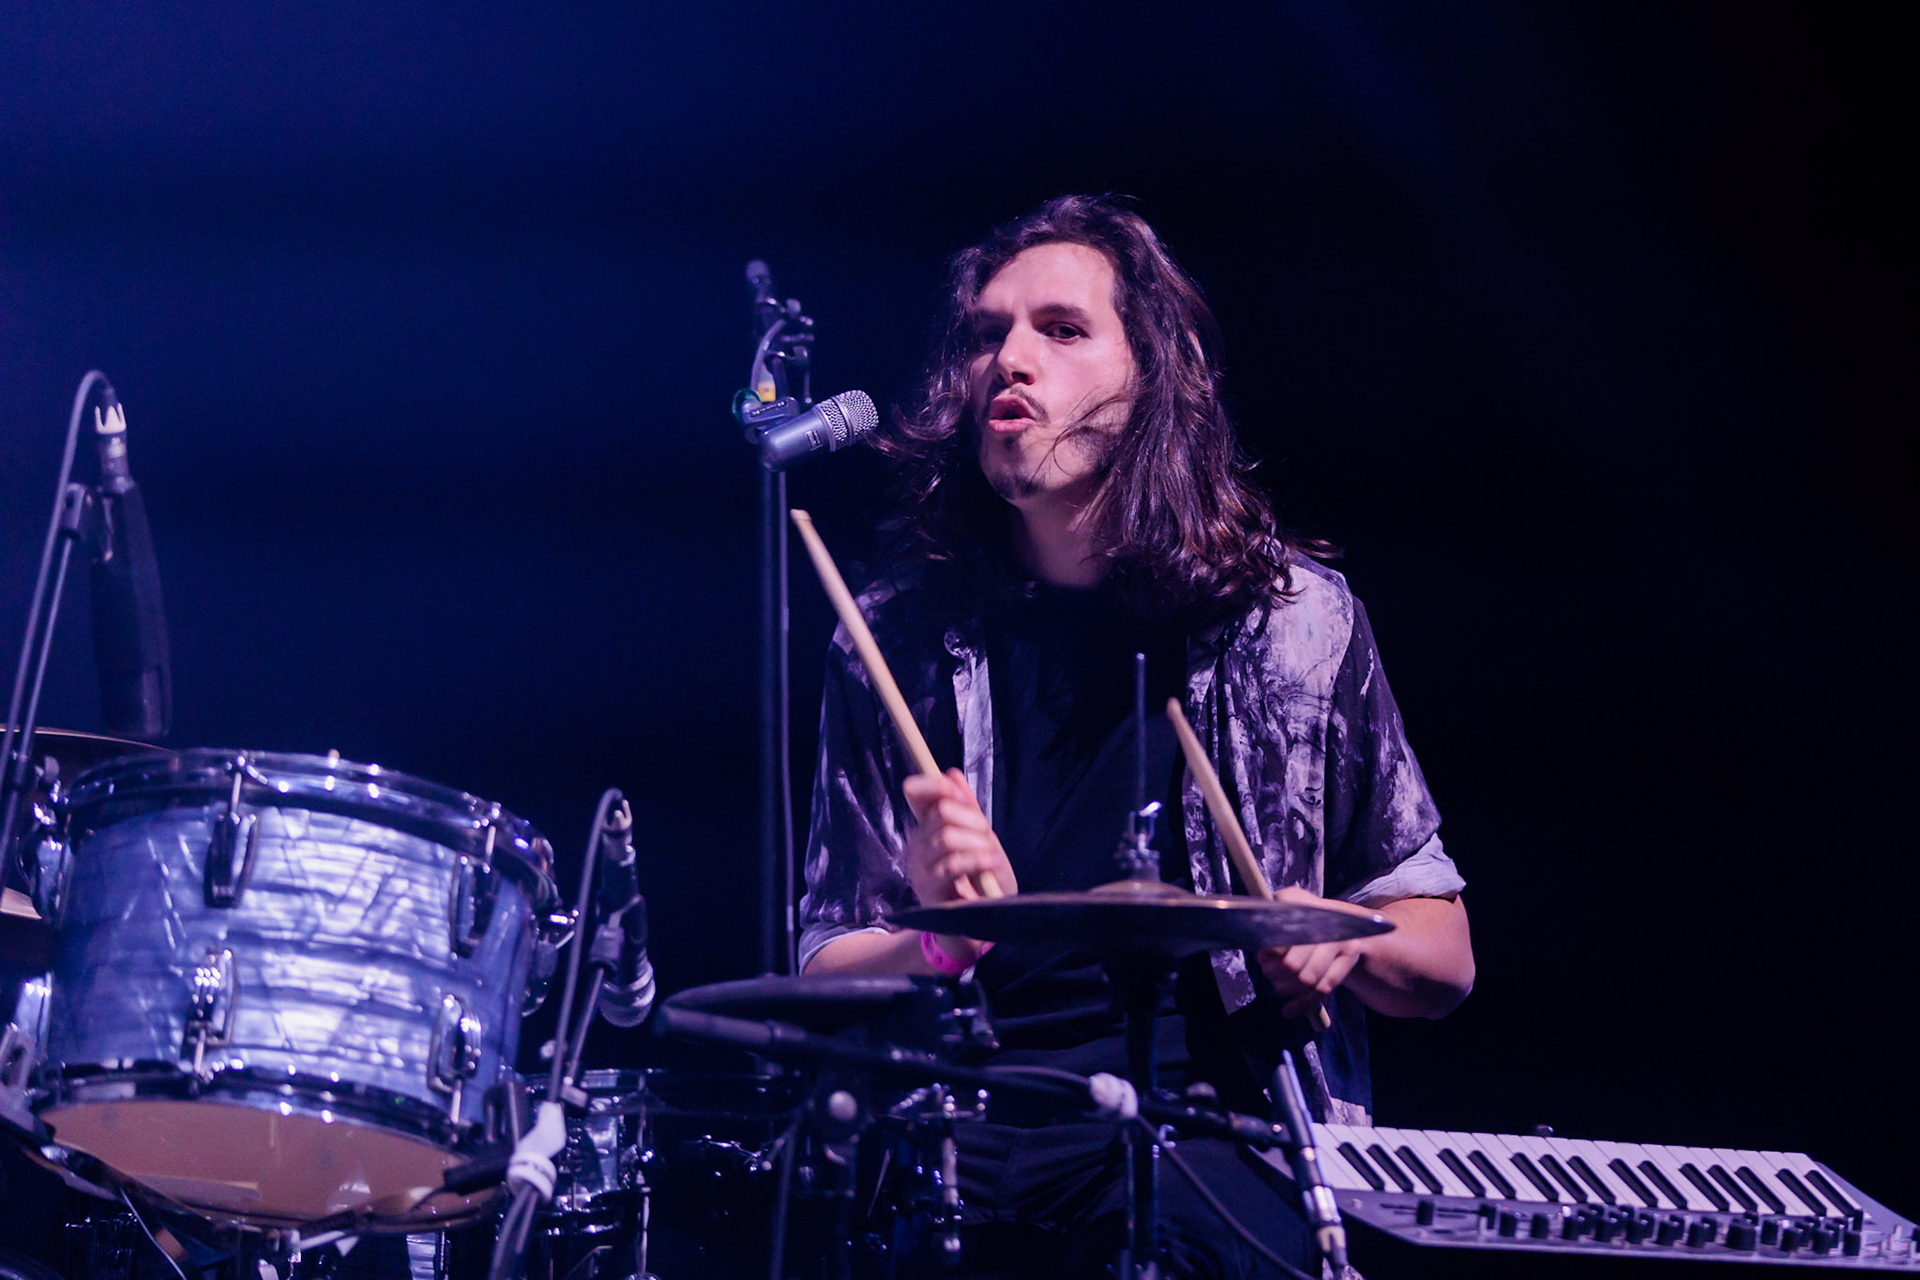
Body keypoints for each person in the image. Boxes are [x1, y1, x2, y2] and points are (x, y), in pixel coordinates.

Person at [796, 195, 1474, 1278]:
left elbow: (1444, 951)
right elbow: (822, 963)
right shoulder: (894, 640)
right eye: (984, 334)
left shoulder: (1292, 621)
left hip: (1217, 1142)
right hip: (961, 1144)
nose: (1008, 357)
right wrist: (938, 943)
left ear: (1150, 375)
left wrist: (1345, 939)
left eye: (1060, 329)